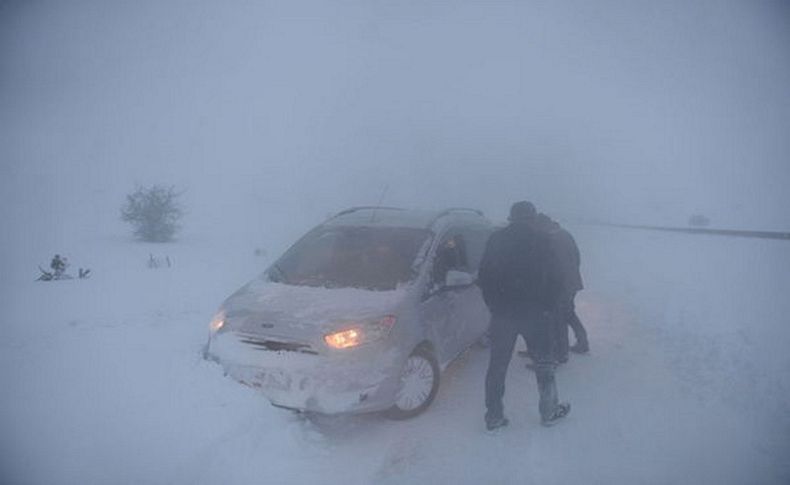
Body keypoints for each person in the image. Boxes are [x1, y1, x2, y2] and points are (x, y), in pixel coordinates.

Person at [478, 201, 571, 431]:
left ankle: (494, 417)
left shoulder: (496, 240)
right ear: (531, 218)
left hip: (503, 315)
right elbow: (558, 279)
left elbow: (484, 277)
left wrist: (494, 305)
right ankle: (549, 412)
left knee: (497, 366)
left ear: (511, 218)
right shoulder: (543, 241)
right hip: (536, 315)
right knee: (544, 364)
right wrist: (548, 307)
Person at [536, 214, 589, 359]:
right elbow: (577, 258)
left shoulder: (553, 239)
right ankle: (582, 341)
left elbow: (553, 264)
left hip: (562, 284)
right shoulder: (565, 234)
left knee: (558, 318)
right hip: (571, 282)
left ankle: (560, 351)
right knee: (568, 313)